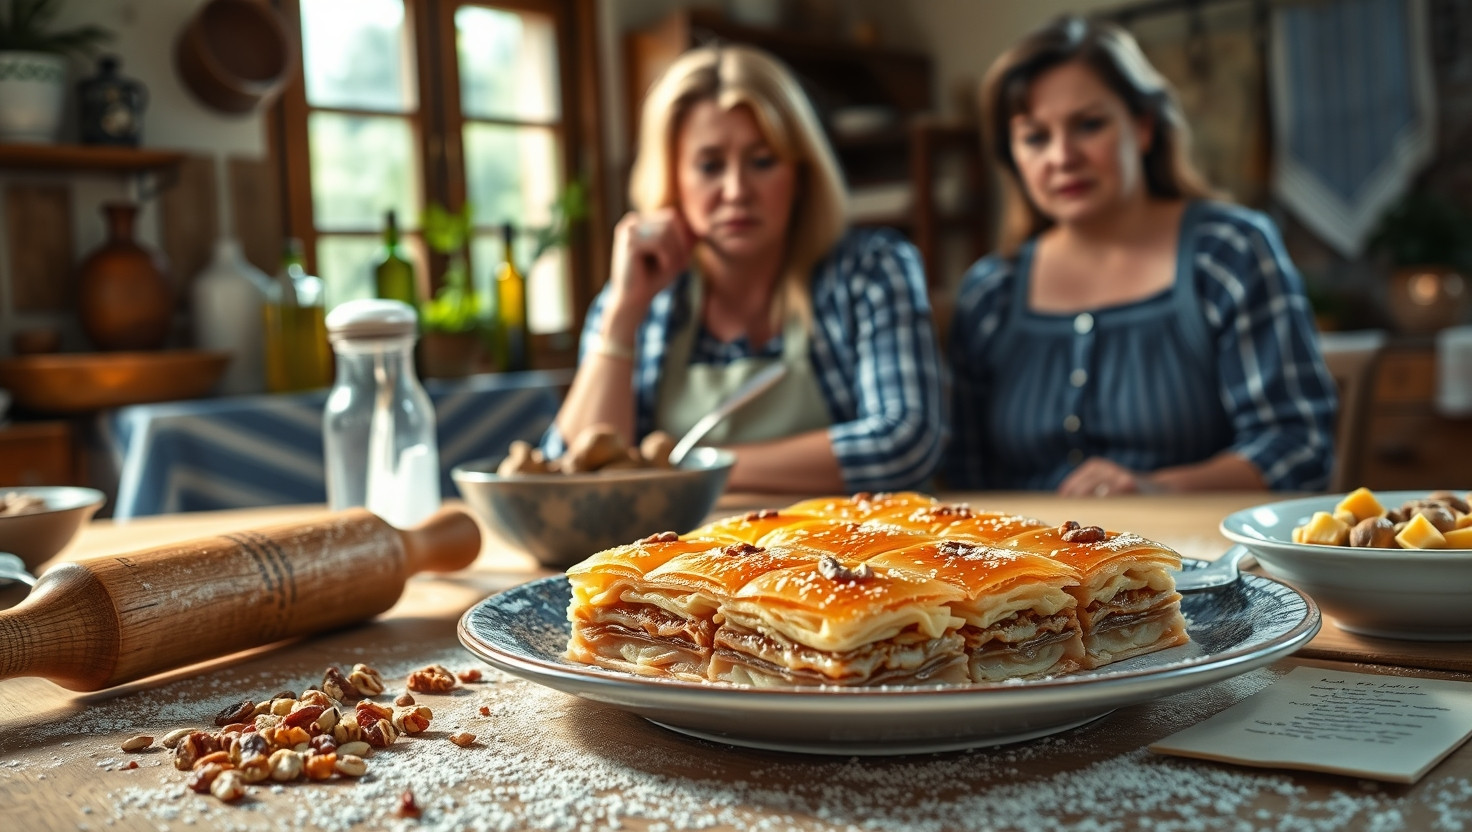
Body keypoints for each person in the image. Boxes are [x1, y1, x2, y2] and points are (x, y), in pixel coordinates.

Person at [945, 16, 1337, 495]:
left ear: (1144, 127)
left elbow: (1297, 446)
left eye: (1088, 125)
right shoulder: (990, 290)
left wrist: (1155, 488)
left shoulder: (1228, 252)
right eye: (1035, 137)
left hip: (1194, 559)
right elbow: (962, 476)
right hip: (1029, 564)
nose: (1062, 156)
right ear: (1013, 156)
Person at [544, 45, 946, 493]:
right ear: (672, 178)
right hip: (686, 559)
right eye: (710, 165)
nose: (736, 191)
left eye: (762, 161)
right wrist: (622, 315)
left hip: (843, 554)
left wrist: (697, 469)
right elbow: (574, 475)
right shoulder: (641, 298)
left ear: (801, 174)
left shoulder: (871, 270)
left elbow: (905, 443)